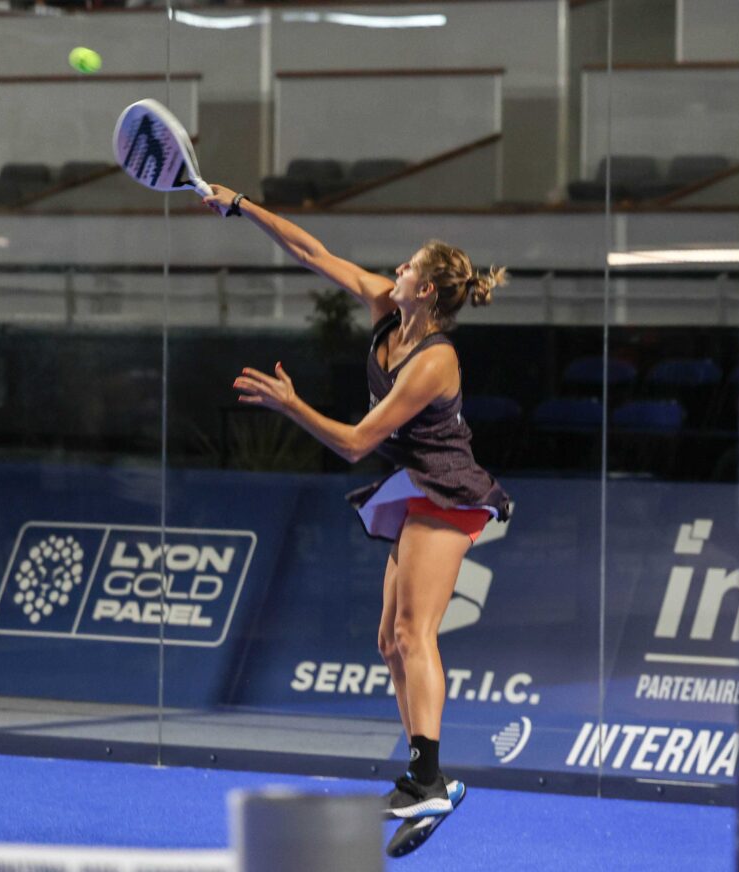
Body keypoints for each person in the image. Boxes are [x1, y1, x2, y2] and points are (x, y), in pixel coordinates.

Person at [207, 183, 508, 854]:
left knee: (413, 631)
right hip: (414, 485)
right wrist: (241, 206)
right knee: (389, 642)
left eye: (408, 266)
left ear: (426, 290)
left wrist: (291, 405)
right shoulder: (386, 311)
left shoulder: (435, 360)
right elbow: (312, 253)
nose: (395, 269)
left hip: (448, 491)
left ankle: (425, 778)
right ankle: (429, 784)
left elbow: (354, 443)